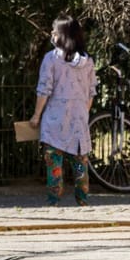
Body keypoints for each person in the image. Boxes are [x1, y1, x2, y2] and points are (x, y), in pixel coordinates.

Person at [28, 16, 97, 206]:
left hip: (54, 119)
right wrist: (83, 111)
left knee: (54, 161)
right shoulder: (88, 61)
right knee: (80, 162)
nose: (52, 34)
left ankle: (54, 200)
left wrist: (36, 116)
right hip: (79, 119)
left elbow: (44, 90)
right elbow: (91, 92)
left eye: (55, 31)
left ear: (62, 35)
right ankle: (82, 200)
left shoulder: (51, 59)